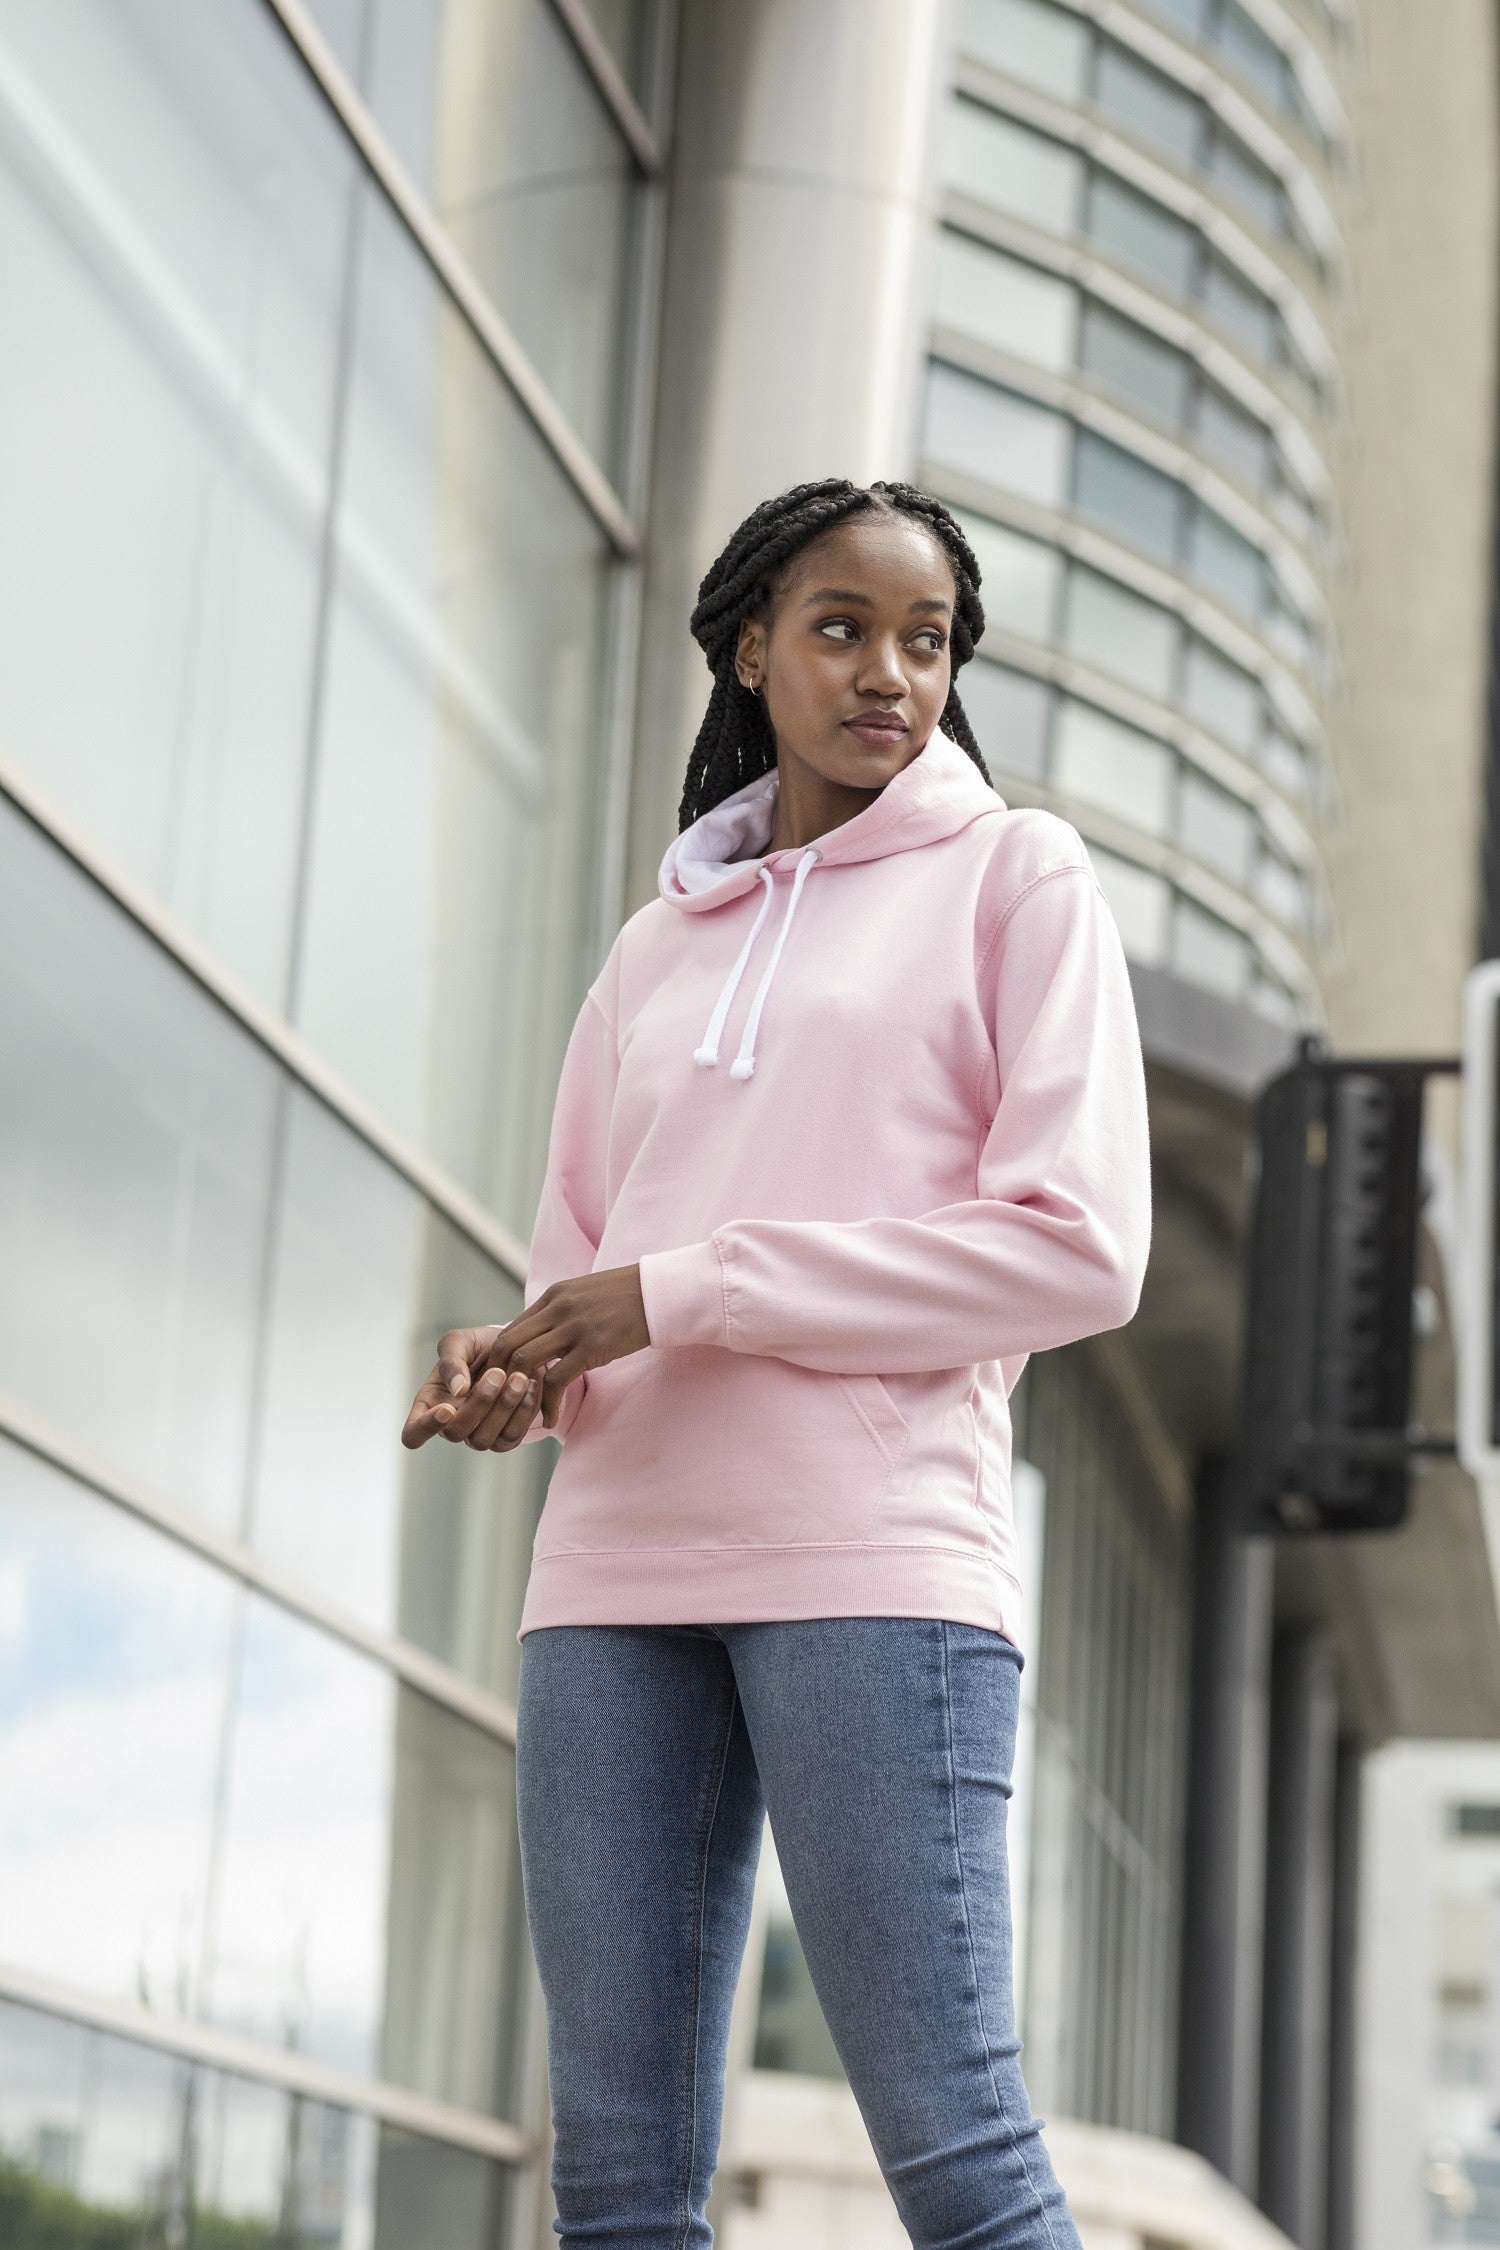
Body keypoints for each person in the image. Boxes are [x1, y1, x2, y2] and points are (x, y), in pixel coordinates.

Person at [401, 477, 1152, 2249]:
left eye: (927, 639)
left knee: (957, 2156)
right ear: (750, 648)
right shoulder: (657, 946)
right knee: (617, 2185)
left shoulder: (1017, 877)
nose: (890, 671)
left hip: (873, 1561)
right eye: (841, 627)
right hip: (612, 1575)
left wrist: (694, 1289)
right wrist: (520, 1369)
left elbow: (1079, 1246)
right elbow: (581, 1267)